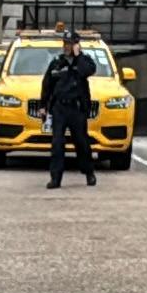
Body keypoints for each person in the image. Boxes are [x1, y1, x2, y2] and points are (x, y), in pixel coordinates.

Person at [37, 30, 99, 188]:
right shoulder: (57, 62)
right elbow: (47, 85)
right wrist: (43, 106)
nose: (66, 46)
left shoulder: (84, 61)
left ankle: (89, 172)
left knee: (82, 143)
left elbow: (88, 71)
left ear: (76, 45)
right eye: (65, 43)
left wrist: (78, 57)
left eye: (70, 44)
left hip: (77, 108)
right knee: (57, 143)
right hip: (60, 108)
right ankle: (55, 178)